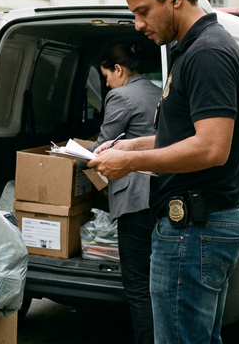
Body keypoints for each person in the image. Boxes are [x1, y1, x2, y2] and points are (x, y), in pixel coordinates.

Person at [89, 0, 239, 344]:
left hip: (193, 230)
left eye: (143, 11)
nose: (137, 24)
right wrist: (127, 147)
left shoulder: (207, 52)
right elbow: (181, 137)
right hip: (198, 228)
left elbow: (212, 147)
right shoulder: (193, 50)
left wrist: (130, 165)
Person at [88, 43, 160, 344]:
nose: (106, 85)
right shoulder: (157, 92)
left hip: (134, 198)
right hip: (159, 194)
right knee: (155, 280)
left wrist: (72, 155)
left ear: (119, 70)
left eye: (106, 76)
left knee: (137, 284)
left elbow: (104, 146)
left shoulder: (120, 96)